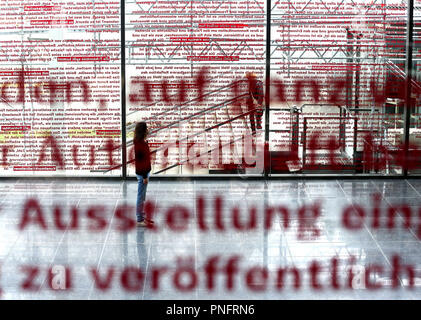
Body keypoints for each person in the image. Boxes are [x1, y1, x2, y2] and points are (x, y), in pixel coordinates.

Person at [133, 121, 154, 227]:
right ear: (143, 131)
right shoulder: (140, 144)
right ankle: (140, 219)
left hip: (143, 173)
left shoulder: (140, 142)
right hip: (143, 174)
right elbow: (141, 162)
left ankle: (141, 216)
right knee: (141, 196)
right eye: (146, 128)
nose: (148, 130)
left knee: (142, 196)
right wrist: (145, 176)